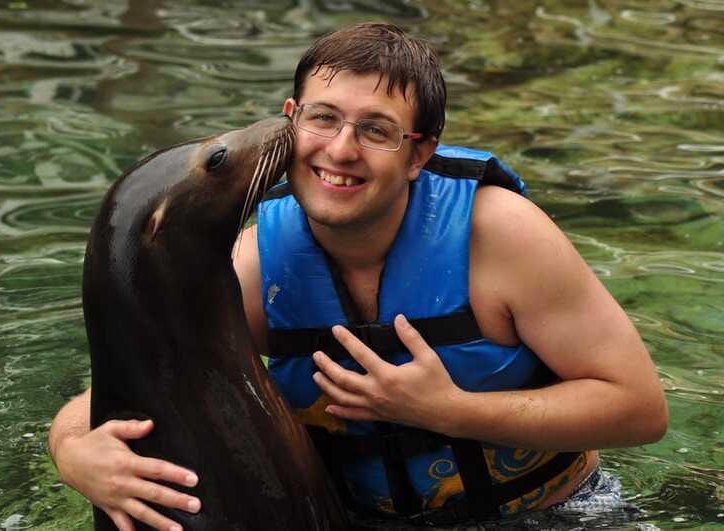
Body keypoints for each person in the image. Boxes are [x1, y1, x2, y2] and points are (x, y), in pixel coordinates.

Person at [48, 23, 668, 530]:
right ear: (293, 121)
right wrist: (74, 452)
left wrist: (453, 411)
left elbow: (639, 409)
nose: (341, 150)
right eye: (323, 119)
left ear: (419, 152)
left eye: (375, 130)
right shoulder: (262, 261)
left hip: (549, 515)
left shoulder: (502, 238)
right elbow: (136, 378)